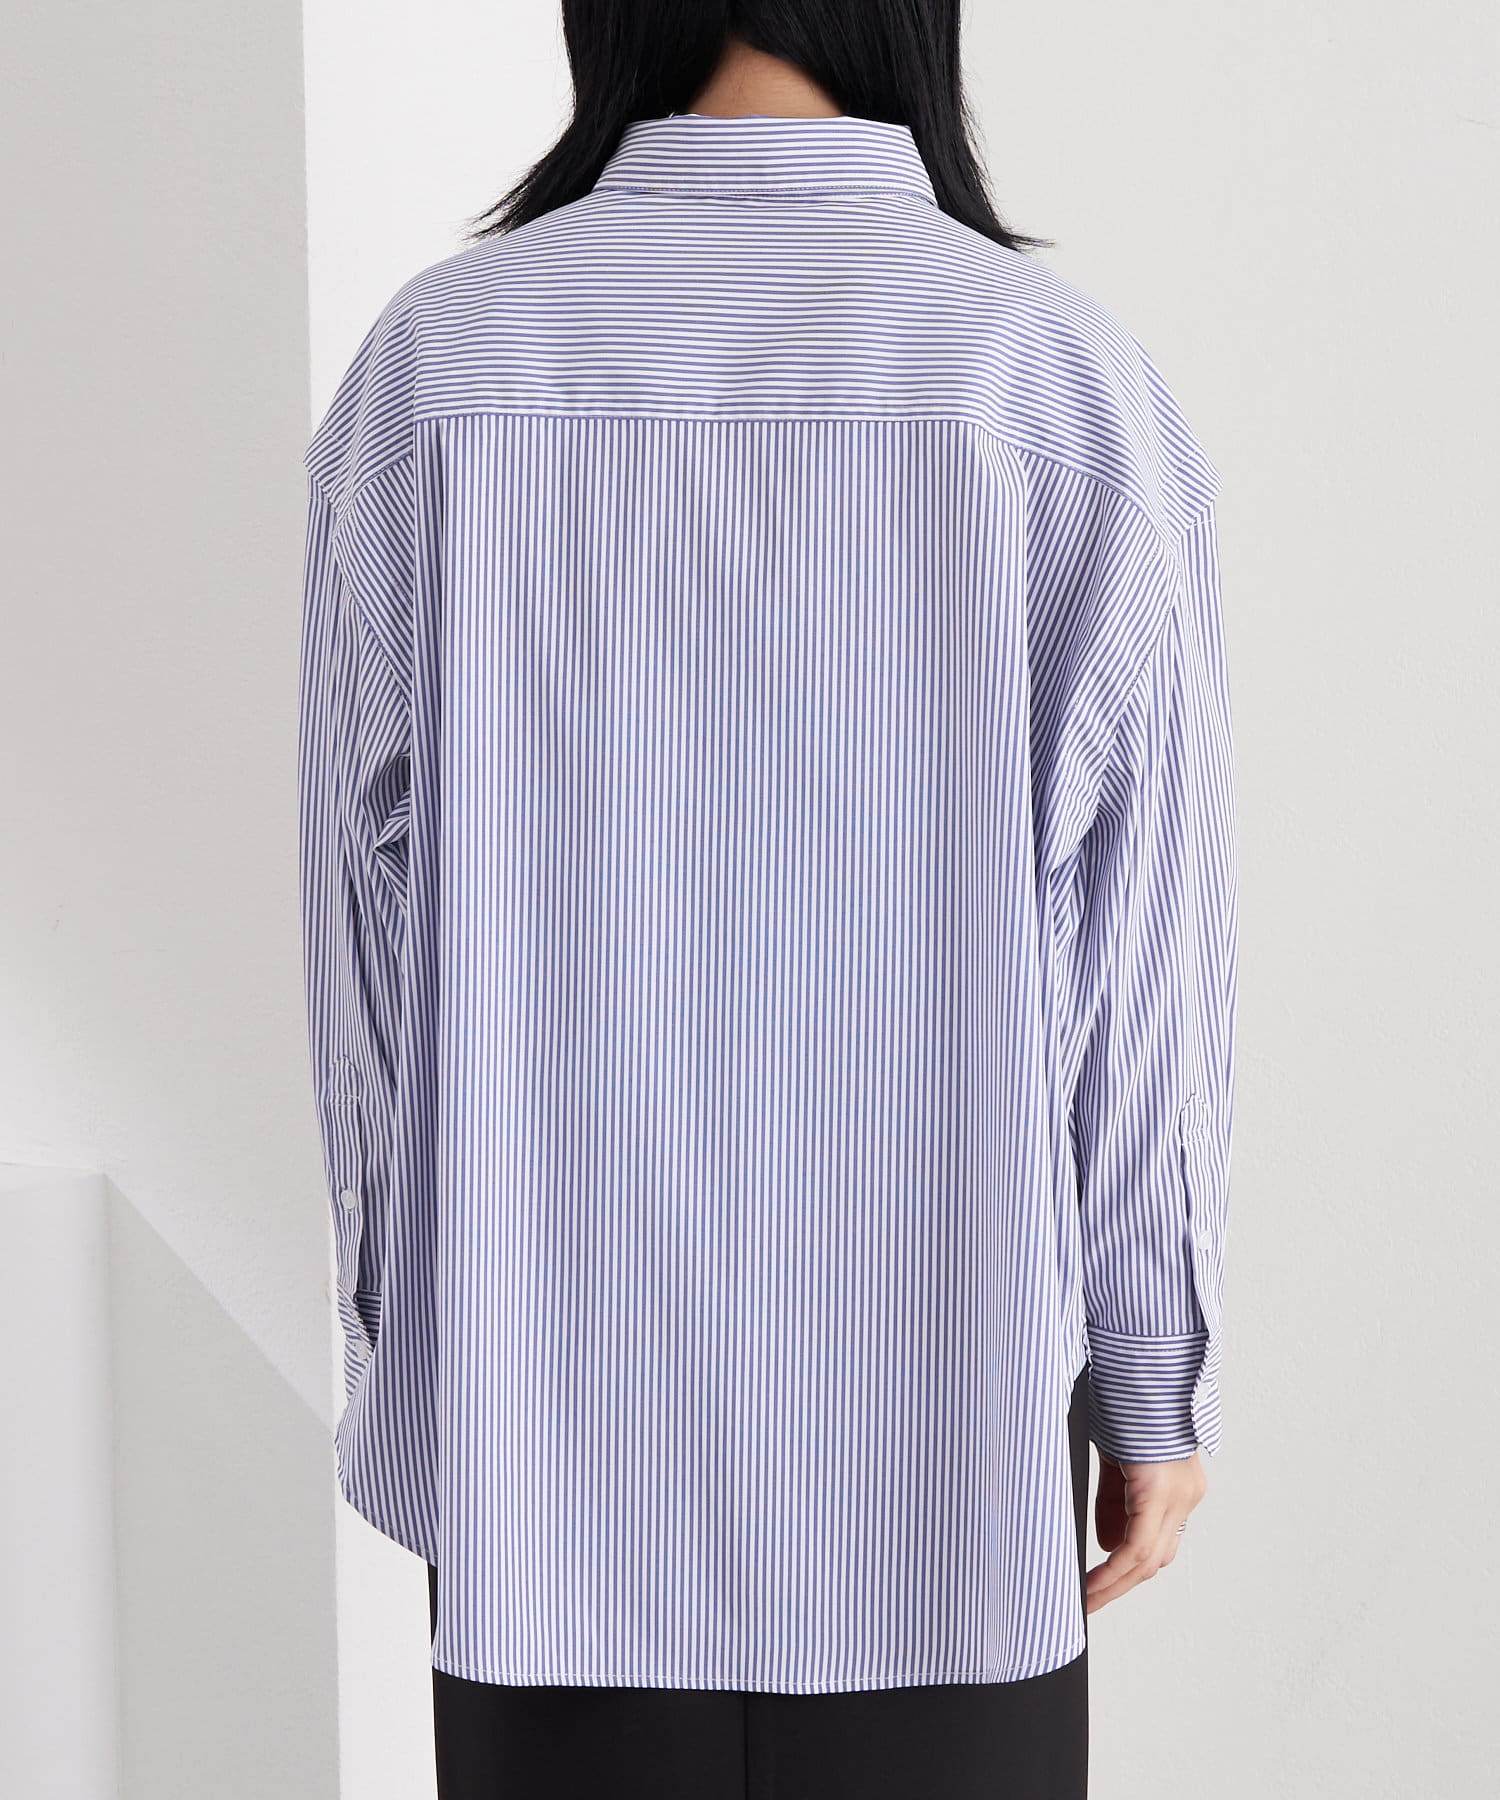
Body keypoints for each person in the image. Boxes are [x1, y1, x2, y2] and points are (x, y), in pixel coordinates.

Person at [296, 3, 1238, 1796]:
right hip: (941, 1453)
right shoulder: (1043, 370)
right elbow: (1139, 948)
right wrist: (1146, 1372)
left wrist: (408, 1334)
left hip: (548, 1445)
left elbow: (364, 914)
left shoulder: (448, 358)